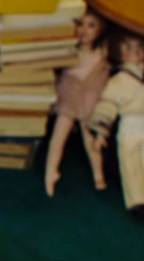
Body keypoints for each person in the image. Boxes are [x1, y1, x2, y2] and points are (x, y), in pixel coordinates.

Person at [45, 9, 112, 196]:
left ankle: (98, 174)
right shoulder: (71, 51)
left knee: (89, 139)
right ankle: (51, 173)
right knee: (58, 137)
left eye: (91, 26)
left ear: (100, 30)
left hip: (89, 102)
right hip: (69, 100)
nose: (84, 30)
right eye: (80, 24)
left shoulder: (102, 52)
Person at [89, 30, 144, 218]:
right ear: (121, 54)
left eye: (140, 47)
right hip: (130, 127)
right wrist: (100, 132)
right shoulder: (119, 81)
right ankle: (137, 202)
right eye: (129, 48)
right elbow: (107, 105)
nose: (137, 52)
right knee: (130, 164)